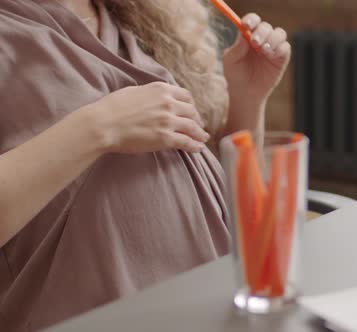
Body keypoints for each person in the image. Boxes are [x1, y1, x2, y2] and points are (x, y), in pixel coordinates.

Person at [0, 0, 290, 330]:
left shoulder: (134, 17)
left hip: (219, 308)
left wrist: (246, 99)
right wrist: (101, 126)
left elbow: (220, 205)